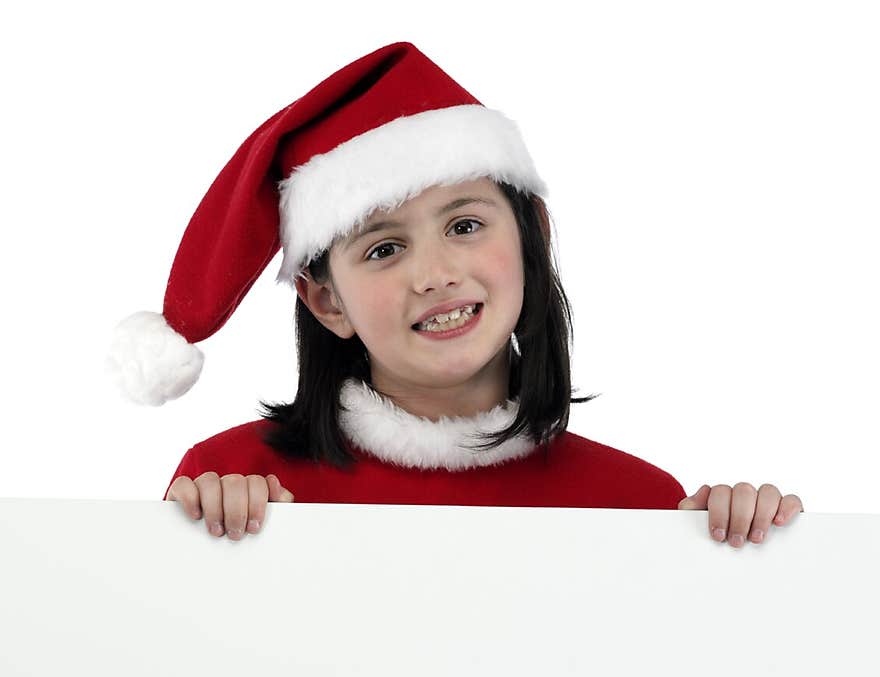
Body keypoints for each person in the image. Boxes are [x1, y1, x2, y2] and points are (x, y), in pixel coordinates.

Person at [106, 41, 803, 547]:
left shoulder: (641, 508)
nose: (434, 273)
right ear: (327, 302)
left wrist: (746, 555)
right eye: (383, 247)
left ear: (531, 233)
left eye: (465, 224)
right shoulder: (234, 487)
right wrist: (194, 550)